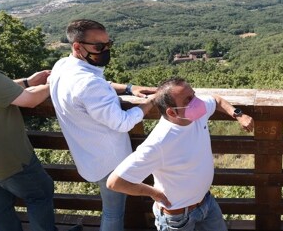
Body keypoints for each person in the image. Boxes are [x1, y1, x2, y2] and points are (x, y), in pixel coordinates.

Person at [48, 19, 156, 231]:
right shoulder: (88, 83)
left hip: (89, 155)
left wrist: (129, 88)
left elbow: (99, 87)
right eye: (99, 46)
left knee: (111, 209)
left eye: (109, 44)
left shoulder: (62, 66)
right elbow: (122, 122)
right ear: (77, 46)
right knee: (114, 213)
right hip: (110, 160)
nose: (105, 50)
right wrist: (152, 101)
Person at [106, 77, 254, 231]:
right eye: (188, 100)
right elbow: (115, 182)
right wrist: (153, 193)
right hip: (177, 219)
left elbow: (216, 100)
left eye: (194, 95)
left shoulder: (196, 114)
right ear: (171, 112)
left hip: (206, 204)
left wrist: (238, 114)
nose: (196, 101)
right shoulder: (159, 143)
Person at [0, 24, 57, 231]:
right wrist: (53, 83)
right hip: (9, 160)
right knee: (40, 194)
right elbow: (29, 101)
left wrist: (27, 81)